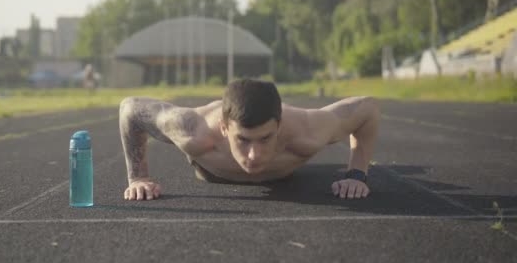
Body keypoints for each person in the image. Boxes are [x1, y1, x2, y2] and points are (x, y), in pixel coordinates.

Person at [119, 78, 380, 201]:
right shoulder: (193, 132)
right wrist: (138, 177)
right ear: (224, 128)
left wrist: (357, 174)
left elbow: (367, 108)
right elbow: (130, 109)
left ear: (278, 127)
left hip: (282, 172)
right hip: (210, 169)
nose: (253, 154)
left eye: (265, 139)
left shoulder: (307, 132)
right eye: (243, 140)